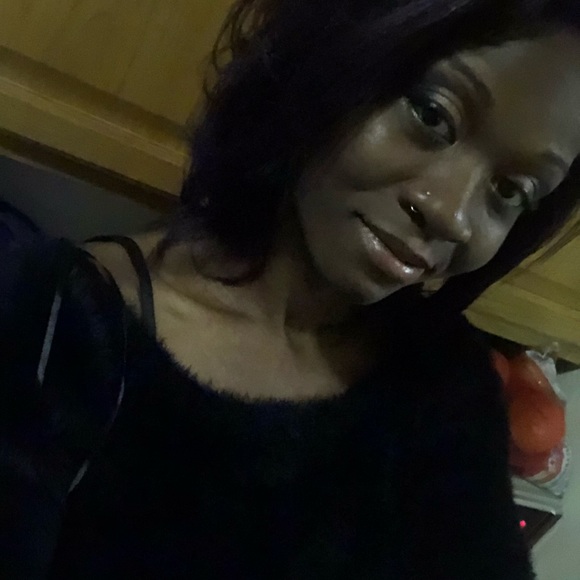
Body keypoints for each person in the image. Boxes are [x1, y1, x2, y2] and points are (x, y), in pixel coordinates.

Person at [1, 1, 579, 578]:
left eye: (510, 191)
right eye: (431, 114)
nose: (454, 216)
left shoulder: (445, 379)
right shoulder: (59, 331)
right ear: (330, 52)